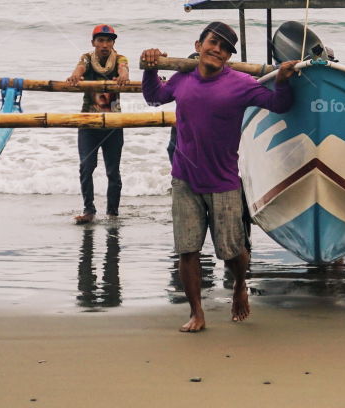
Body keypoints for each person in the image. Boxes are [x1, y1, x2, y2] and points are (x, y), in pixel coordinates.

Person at [140, 20, 297, 332]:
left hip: (224, 180)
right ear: (199, 46)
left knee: (231, 251)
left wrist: (282, 80)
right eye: (213, 43)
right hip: (184, 176)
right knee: (188, 248)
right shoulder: (183, 77)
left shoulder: (240, 83)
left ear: (228, 56)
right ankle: (196, 312)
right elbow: (155, 97)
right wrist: (148, 68)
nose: (218, 50)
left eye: (225, 48)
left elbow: (278, 104)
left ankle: (240, 285)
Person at [66, 24, 130, 224]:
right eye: (100, 40)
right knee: (86, 167)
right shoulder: (86, 58)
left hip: (112, 123)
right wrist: (76, 75)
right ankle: (89, 210)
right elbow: (80, 67)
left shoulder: (120, 59)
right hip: (88, 123)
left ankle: (113, 213)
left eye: (108, 40)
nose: (104, 44)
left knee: (113, 171)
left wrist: (124, 76)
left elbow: (124, 69)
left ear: (113, 43)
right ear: (93, 42)